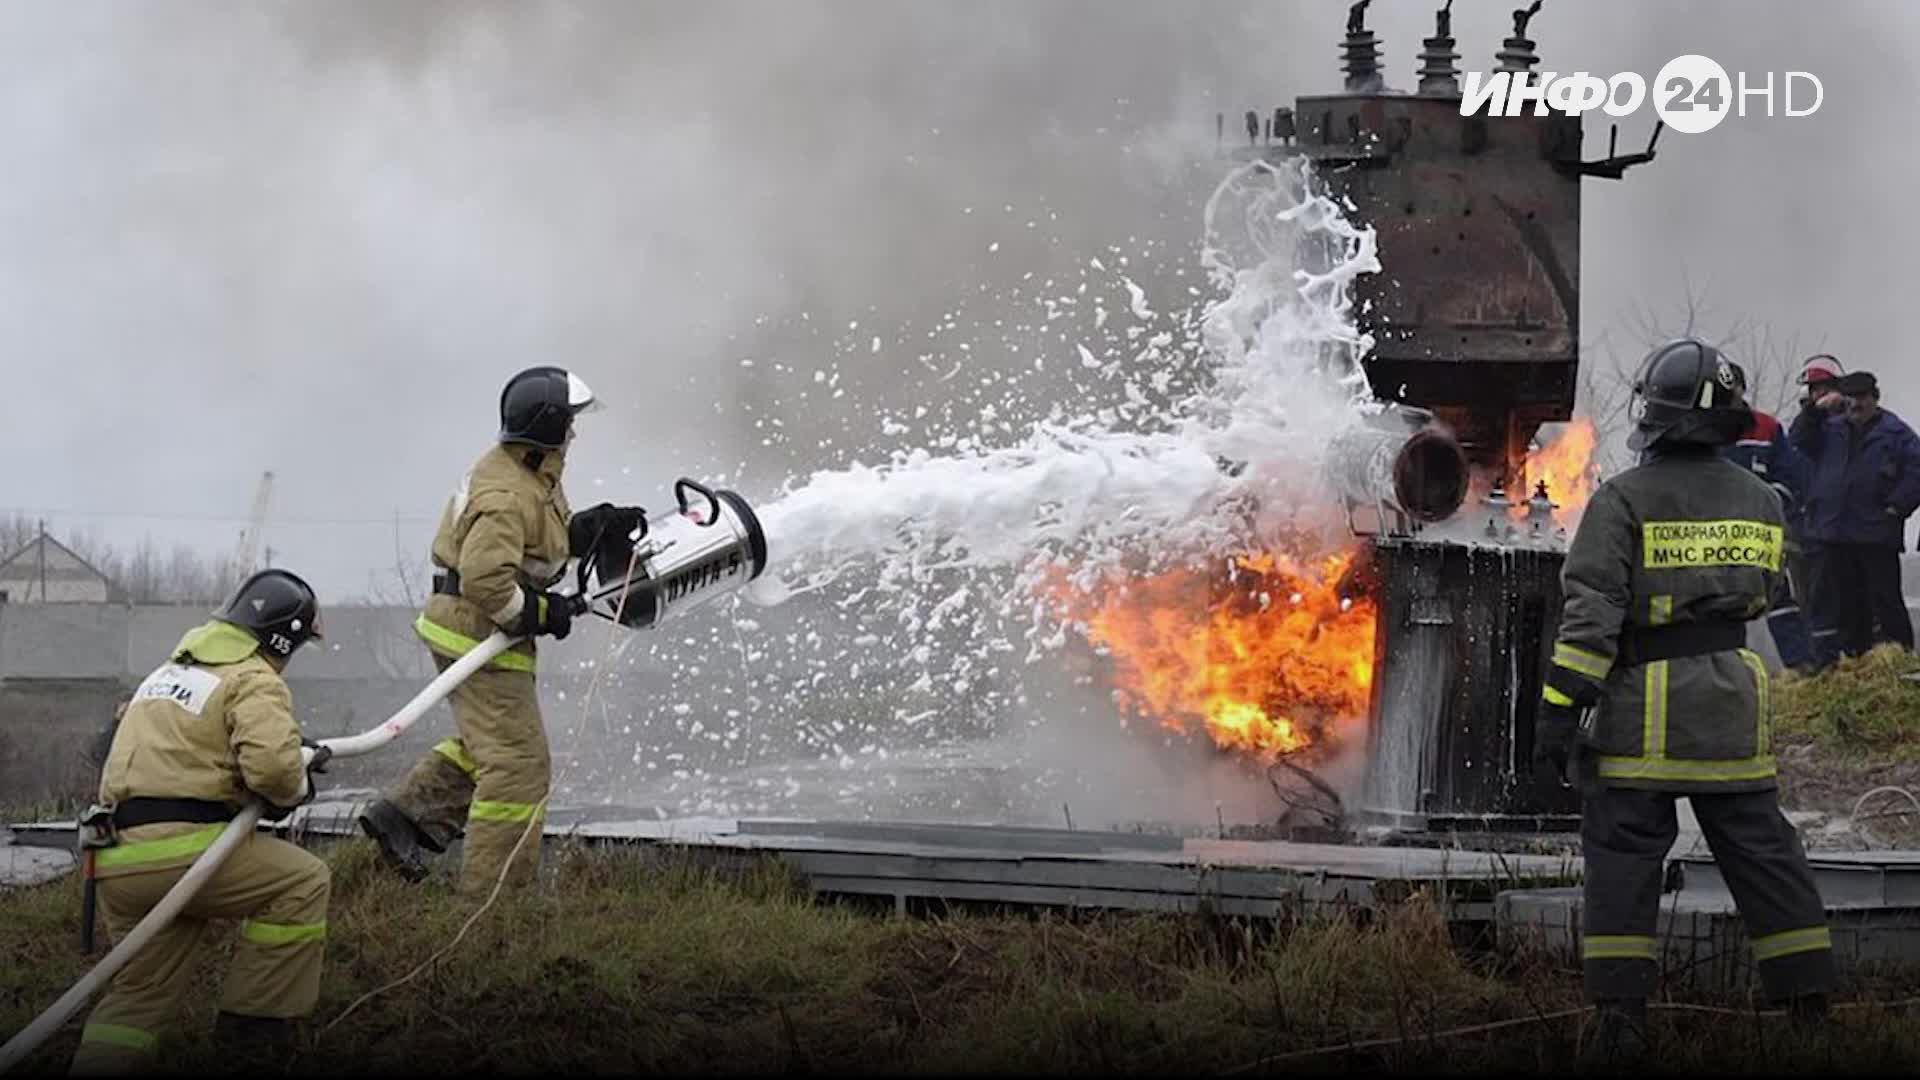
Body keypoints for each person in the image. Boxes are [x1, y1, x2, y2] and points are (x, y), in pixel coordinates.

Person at [1535, 338, 1835, 1066]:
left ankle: (1620, 1023)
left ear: (1658, 418)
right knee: (1766, 855)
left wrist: (1557, 711)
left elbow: (1591, 619)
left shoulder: (1622, 500)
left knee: (1624, 857)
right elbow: (1769, 595)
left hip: (1644, 714)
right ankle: (1811, 1011)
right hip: (1733, 709)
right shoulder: (1764, 500)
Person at [356, 367, 643, 896]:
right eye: (570, 424)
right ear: (550, 425)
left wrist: (591, 526)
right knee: (517, 766)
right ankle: (494, 905)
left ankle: (403, 816)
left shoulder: (526, 473)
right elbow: (488, 580)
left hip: (469, 627)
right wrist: (541, 613)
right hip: (475, 630)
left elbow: (537, 544)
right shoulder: (508, 492)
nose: (575, 434)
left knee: (489, 742)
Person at [70, 570, 330, 1075]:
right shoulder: (253, 678)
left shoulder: (164, 675)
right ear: (283, 638)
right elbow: (275, 773)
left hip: (116, 859)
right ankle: (251, 1037)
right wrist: (298, 784)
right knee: (303, 881)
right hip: (184, 852)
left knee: (140, 996)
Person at [1791, 369, 1920, 664]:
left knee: (1885, 602)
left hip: (1876, 535)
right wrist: (1815, 408)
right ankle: (1857, 662)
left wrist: (1897, 507)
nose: (1856, 405)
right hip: (1835, 534)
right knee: (1848, 605)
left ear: (1875, 398)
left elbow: (1917, 471)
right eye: (1850, 399)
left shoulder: (1895, 433)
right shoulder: (1829, 428)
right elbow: (1797, 439)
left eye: (1862, 398)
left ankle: (1901, 661)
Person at [1722, 361, 1815, 671]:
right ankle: (1726, 669)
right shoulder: (1701, 429)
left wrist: (1770, 505)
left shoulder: (1766, 428)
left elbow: (1790, 477)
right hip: (1712, 535)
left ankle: (1801, 668)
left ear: (1742, 388)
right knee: (1717, 602)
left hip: (1759, 533)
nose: (1728, 394)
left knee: (1778, 599)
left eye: (1733, 386)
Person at [1792, 355, 1845, 662]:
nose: (1818, 394)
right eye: (1813, 389)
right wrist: (1815, 412)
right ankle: (1822, 661)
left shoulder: (1855, 420)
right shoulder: (1808, 426)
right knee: (1815, 598)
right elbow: (1798, 440)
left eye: (1823, 387)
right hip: (1814, 527)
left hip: (1853, 526)